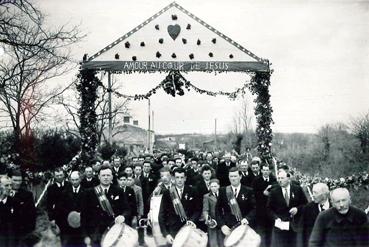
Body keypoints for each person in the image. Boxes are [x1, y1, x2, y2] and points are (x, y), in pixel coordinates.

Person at [80, 165, 132, 246]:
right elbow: (84, 216)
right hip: (95, 233)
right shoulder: (89, 193)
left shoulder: (118, 191)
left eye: (108, 175)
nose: (106, 177)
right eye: (103, 175)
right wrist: (85, 236)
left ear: (112, 177)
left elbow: (127, 209)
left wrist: (123, 216)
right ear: (99, 177)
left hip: (114, 231)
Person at [158, 167, 201, 245]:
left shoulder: (193, 190)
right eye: (177, 177)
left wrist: (192, 220)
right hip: (173, 230)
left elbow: (198, 210)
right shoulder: (167, 193)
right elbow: (161, 214)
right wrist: (166, 234)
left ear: (185, 178)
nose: (180, 180)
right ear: (173, 178)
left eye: (182, 177)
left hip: (189, 228)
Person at [267, 169, 308, 247]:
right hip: (280, 227)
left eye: (282, 178)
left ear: (288, 179)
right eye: (278, 178)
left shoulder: (297, 189)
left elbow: (305, 204)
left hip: (295, 226)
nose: (280, 180)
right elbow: (268, 209)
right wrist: (275, 218)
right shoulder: (274, 192)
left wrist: (297, 209)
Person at [216, 167, 256, 238]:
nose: (233, 178)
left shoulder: (248, 191)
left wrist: (247, 218)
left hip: (244, 227)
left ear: (240, 177)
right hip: (228, 228)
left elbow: (254, 209)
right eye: (231, 176)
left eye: (235, 176)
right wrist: (222, 225)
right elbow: (217, 210)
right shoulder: (223, 191)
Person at [296, 183, 330, 247]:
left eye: (315, 193)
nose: (312, 195)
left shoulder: (335, 207)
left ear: (324, 195)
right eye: (312, 192)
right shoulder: (308, 208)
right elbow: (301, 231)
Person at [8, 170, 37, 246]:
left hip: (22, 233)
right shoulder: (3, 193)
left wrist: (29, 232)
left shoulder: (28, 195)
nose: (17, 183)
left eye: (19, 180)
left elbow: (32, 215)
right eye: (15, 180)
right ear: (9, 179)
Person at [252, 164, 277, 247]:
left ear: (270, 171)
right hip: (261, 210)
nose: (266, 172)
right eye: (264, 170)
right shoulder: (256, 180)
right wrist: (263, 193)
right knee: (262, 232)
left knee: (270, 232)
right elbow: (254, 194)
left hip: (271, 210)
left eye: (267, 170)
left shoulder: (274, 180)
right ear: (261, 171)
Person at [61, 171, 85, 247]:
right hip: (68, 227)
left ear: (80, 179)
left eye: (76, 179)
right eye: (72, 180)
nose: (74, 182)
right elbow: (61, 208)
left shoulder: (86, 192)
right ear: (70, 180)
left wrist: (81, 214)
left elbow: (89, 208)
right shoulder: (64, 192)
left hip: (82, 226)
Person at [46, 168, 71, 236]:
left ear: (64, 175)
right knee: (63, 238)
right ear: (54, 176)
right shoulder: (51, 188)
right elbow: (49, 205)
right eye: (57, 175)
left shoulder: (69, 185)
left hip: (70, 216)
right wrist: (51, 219)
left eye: (61, 175)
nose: (59, 177)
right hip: (59, 217)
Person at [203, 179, 223, 247]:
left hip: (223, 221)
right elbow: (205, 209)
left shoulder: (223, 194)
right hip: (213, 222)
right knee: (213, 242)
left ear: (218, 186)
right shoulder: (207, 196)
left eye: (215, 186)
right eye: (212, 186)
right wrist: (207, 218)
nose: (213, 188)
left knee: (223, 241)